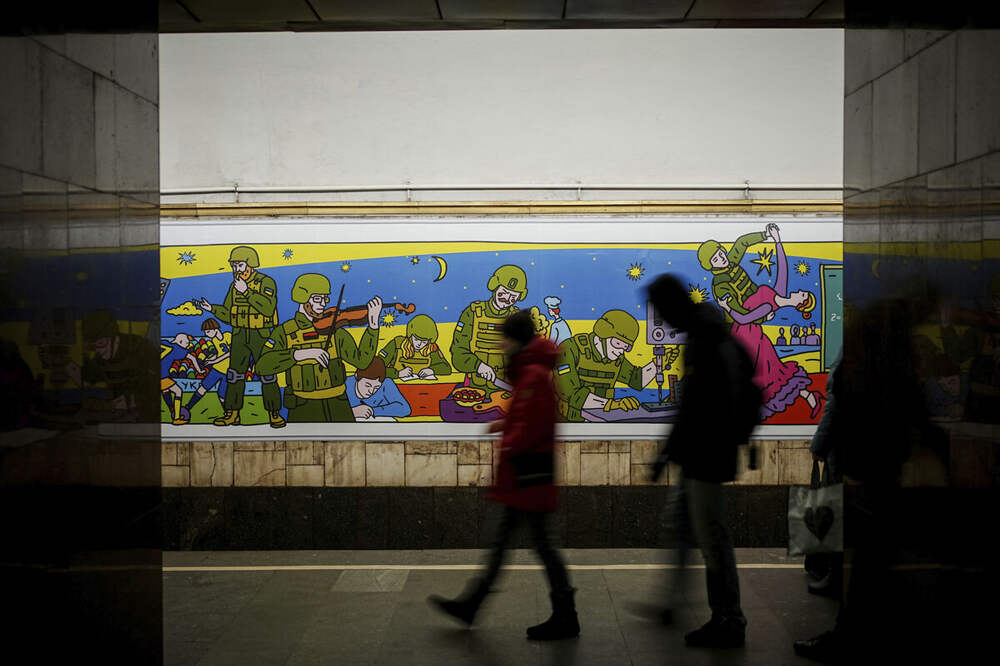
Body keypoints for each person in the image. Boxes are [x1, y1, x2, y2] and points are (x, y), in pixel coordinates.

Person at [428, 310, 579, 641]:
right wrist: (504, 424)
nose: (502, 344)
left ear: (517, 339)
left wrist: (509, 441)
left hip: (528, 476)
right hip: (526, 476)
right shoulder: (531, 371)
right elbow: (527, 416)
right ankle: (474, 605)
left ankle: (564, 615)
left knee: (536, 546)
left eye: (505, 338)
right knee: (514, 545)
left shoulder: (533, 374)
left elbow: (533, 425)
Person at [646, 274, 761, 649]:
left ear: (672, 305)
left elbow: (694, 407)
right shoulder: (710, 332)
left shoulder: (704, 340)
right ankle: (674, 602)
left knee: (713, 538)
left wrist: (665, 454)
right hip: (702, 453)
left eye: (661, 310)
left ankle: (729, 619)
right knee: (682, 524)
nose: (661, 319)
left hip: (706, 456)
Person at [699, 223, 823, 419]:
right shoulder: (721, 284)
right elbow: (743, 243)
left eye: (720, 253)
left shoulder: (769, 298)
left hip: (750, 329)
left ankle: (809, 397)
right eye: (716, 258)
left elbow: (745, 315)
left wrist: (773, 239)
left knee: (772, 370)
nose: (722, 258)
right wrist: (769, 237)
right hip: (744, 329)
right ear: (711, 265)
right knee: (766, 371)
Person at [256, 273, 382, 423]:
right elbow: (262, 366)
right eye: (317, 298)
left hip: (338, 403)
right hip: (303, 405)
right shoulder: (284, 331)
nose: (322, 304)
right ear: (303, 298)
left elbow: (362, 361)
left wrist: (373, 326)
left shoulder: (334, 330)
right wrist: (299, 354)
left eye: (325, 298)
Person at [199, 246, 285, 428]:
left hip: (260, 334)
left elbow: (268, 308)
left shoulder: (266, 282)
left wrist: (246, 292)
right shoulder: (234, 286)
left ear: (250, 264)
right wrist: (212, 309)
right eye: (234, 265)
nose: (236, 269)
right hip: (239, 334)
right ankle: (232, 413)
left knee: (267, 374)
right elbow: (229, 313)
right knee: (234, 375)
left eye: (239, 265)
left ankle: (274, 413)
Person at [554, 309, 677, 421]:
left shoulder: (616, 359)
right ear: (602, 335)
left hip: (601, 420)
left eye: (626, 347)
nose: (621, 351)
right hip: (573, 422)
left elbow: (637, 380)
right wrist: (610, 404)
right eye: (617, 343)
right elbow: (570, 392)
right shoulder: (571, 349)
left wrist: (657, 364)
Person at [450, 265, 527, 391]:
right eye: (504, 292)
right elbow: (458, 351)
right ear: (494, 286)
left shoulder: (518, 317)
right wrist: (478, 365)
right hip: (475, 388)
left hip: (507, 390)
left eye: (513, 297)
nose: (507, 299)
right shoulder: (472, 313)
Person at [376, 314, 451, 380]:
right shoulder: (397, 344)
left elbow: (446, 368)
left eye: (424, 342)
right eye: (416, 339)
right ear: (410, 335)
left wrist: (432, 370)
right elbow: (376, 367)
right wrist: (397, 373)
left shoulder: (431, 348)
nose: (419, 344)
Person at [345, 357, 411, 420]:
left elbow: (405, 408)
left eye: (376, 387)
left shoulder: (386, 383)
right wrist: (351, 412)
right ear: (356, 376)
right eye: (367, 385)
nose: (371, 391)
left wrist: (372, 411)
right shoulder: (345, 385)